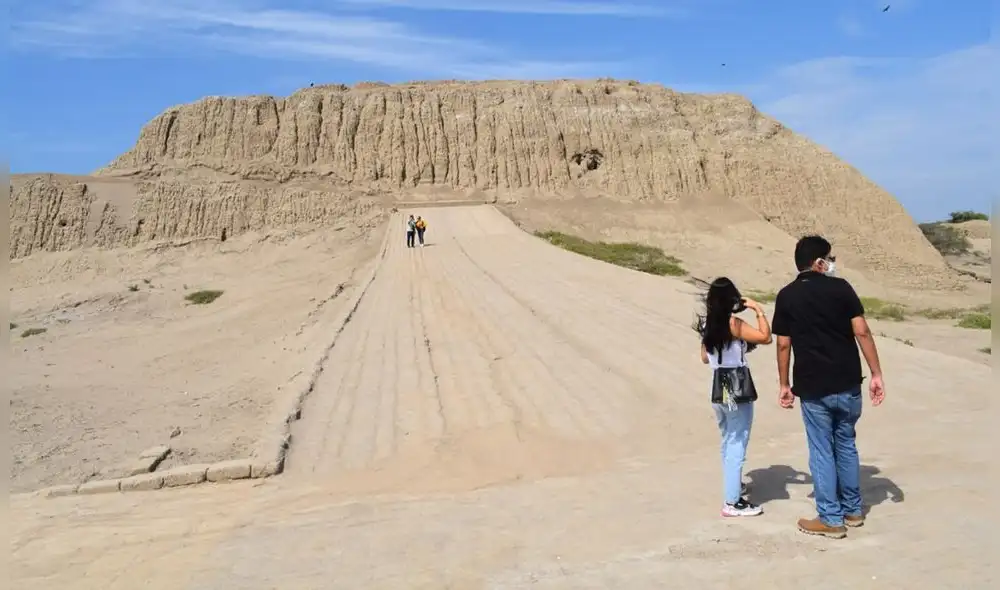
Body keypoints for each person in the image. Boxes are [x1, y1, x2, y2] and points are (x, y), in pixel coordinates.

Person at [771, 235, 885, 539]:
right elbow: (862, 331)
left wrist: (784, 384)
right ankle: (853, 510)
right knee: (846, 444)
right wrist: (876, 373)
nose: (833, 263)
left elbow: (783, 344)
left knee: (822, 450)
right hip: (848, 381)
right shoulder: (842, 288)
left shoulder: (787, 296)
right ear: (819, 262)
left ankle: (831, 519)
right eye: (829, 258)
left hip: (813, 386)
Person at [695, 277, 773, 517]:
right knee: (738, 440)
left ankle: (733, 485)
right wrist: (758, 310)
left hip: (718, 386)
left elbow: (704, 357)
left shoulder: (708, 324)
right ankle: (732, 501)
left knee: (728, 438)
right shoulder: (733, 323)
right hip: (736, 385)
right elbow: (766, 337)